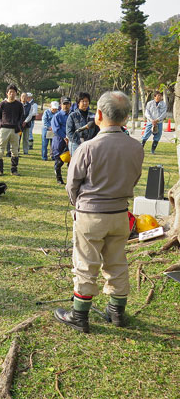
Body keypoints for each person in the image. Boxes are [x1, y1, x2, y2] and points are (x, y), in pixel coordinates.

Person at [54, 91, 143, 333]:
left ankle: (79, 316)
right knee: (117, 262)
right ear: (125, 118)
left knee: (85, 264)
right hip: (120, 214)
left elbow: (72, 184)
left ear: (99, 115)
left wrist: (79, 204)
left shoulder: (87, 147)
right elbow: (134, 179)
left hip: (91, 215)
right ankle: (116, 312)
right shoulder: (136, 147)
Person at [0, 85, 24, 176]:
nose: (12, 94)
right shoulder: (2, 104)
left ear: (16, 93)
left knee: (15, 150)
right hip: (4, 129)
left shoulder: (19, 105)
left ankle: (14, 169)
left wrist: (18, 125)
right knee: (1, 149)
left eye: (14, 92)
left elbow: (21, 117)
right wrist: (2, 126)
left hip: (15, 129)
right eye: (10, 92)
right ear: (7, 93)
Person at [51, 97, 72, 184]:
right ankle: (59, 178)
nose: (66, 106)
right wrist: (64, 137)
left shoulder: (73, 115)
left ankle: (71, 178)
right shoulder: (57, 116)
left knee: (72, 161)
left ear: (70, 105)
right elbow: (56, 129)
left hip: (71, 141)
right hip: (59, 140)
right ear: (61, 105)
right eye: (64, 104)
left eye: (67, 104)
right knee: (59, 160)